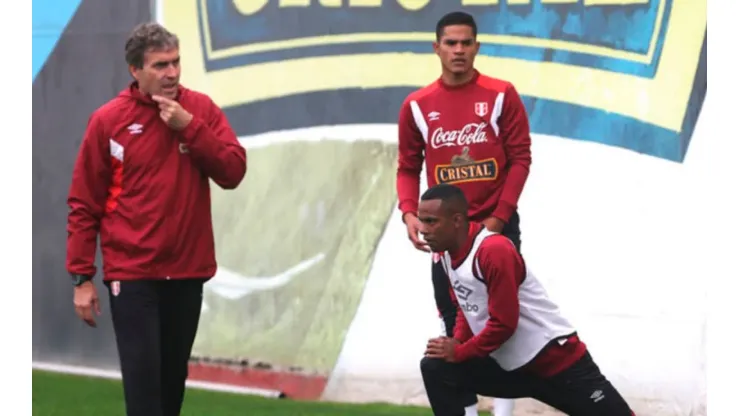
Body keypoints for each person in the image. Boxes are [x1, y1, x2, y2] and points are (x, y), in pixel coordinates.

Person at [65, 22, 247, 416]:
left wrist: (190, 128)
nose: (172, 73)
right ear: (136, 70)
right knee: (145, 391)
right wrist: (82, 277)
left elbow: (233, 172)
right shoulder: (108, 121)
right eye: (161, 65)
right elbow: (84, 203)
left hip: (186, 272)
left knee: (170, 393)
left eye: (176, 62)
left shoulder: (200, 110)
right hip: (132, 275)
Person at [395, 11, 532, 416]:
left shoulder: (501, 94)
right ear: (436, 47)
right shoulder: (417, 105)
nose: (458, 50)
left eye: (466, 42)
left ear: (477, 46)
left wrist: (498, 219)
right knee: (455, 321)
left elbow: (521, 159)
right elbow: (407, 166)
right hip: (447, 236)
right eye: (450, 43)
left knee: (504, 325)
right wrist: (408, 214)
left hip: (496, 227)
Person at [417, 184, 635, 416]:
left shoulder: (493, 250)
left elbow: (503, 325)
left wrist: (460, 352)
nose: (423, 230)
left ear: (457, 220)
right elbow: (463, 304)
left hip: (557, 363)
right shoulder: (445, 254)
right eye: (422, 221)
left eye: (431, 221)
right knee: (436, 367)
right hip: (511, 368)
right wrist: (457, 342)